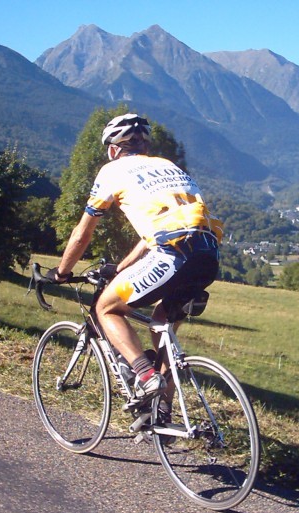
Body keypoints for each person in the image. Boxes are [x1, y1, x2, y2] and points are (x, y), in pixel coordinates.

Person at [47, 113, 222, 418]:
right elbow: (151, 235)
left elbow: (83, 233)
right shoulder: (168, 166)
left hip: (171, 253)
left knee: (106, 309)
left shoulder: (112, 170)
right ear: (145, 144)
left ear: (113, 149)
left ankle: (145, 375)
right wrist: (122, 269)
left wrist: (61, 272)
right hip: (208, 254)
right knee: (162, 325)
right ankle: (162, 413)